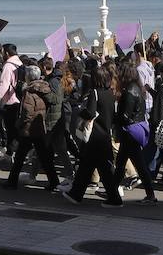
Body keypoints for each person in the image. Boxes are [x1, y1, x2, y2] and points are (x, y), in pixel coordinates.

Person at [107, 62, 155, 205]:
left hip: (130, 131)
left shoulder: (129, 91)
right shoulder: (137, 88)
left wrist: (113, 117)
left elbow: (125, 116)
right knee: (124, 163)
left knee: (129, 164)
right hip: (136, 129)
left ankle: (113, 192)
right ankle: (112, 191)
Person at [5, 65, 56, 190]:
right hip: (39, 125)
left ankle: (12, 182)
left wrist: (19, 124)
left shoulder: (29, 91)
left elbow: (27, 112)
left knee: (20, 157)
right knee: (44, 156)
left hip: (29, 127)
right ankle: (54, 181)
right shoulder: (45, 88)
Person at [62, 105, 116, 205]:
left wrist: (79, 111)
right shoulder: (109, 93)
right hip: (104, 133)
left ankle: (76, 194)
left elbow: (90, 113)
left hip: (95, 135)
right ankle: (114, 197)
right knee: (98, 168)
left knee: (90, 167)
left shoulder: (94, 93)